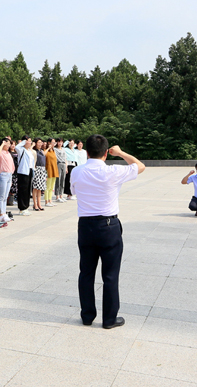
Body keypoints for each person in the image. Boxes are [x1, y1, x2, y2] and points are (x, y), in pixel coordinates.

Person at [71, 134, 144, 329]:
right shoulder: (114, 171)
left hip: (85, 226)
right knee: (110, 275)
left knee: (86, 272)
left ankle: (87, 316)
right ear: (105, 153)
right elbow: (140, 166)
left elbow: (75, 192)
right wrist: (120, 153)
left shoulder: (76, 172)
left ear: (87, 152)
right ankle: (110, 319)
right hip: (108, 226)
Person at [0, 137, 14, 224]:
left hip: (9, 175)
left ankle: (4, 213)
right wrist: (2, 144)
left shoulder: (8, 153)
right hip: (3, 175)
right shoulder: (1, 152)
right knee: (2, 196)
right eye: (8, 143)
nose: (9, 145)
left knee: (5, 196)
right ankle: (1, 214)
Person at [16, 136, 33, 216]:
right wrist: (23, 142)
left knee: (28, 190)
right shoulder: (21, 149)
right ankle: (22, 208)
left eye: (30, 141)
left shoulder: (29, 150)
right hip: (23, 172)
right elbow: (16, 147)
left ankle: (26, 206)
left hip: (29, 171)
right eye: (28, 141)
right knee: (22, 190)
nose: (30, 142)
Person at [32, 139, 47, 211]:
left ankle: (39, 203)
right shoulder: (34, 151)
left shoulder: (41, 151)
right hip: (37, 168)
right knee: (35, 187)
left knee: (40, 188)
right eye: (39, 142)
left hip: (42, 169)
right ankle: (35, 204)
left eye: (41, 142)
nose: (40, 144)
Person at [45, 138, 59, 207]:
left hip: (54, 170)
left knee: (51, 187)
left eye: (54, 143)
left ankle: (50, 200)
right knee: (48, 187)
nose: (54, 144)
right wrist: (48, 148)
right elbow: (44, 155)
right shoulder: (46, 150)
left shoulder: (54, 151)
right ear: (49, 143)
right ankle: (46, 201)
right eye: (53, 142)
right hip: (49, 170)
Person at [55, 137, 67, 203]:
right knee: (58, 180)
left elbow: (65, 159)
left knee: (63, 180)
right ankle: (57, 196)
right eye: (59, 142)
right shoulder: (55, 149)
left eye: (61, 142)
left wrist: (66, 167)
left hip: (64, 164)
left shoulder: (63, 150)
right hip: (58, 164)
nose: (60, 143)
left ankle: (61, 195)